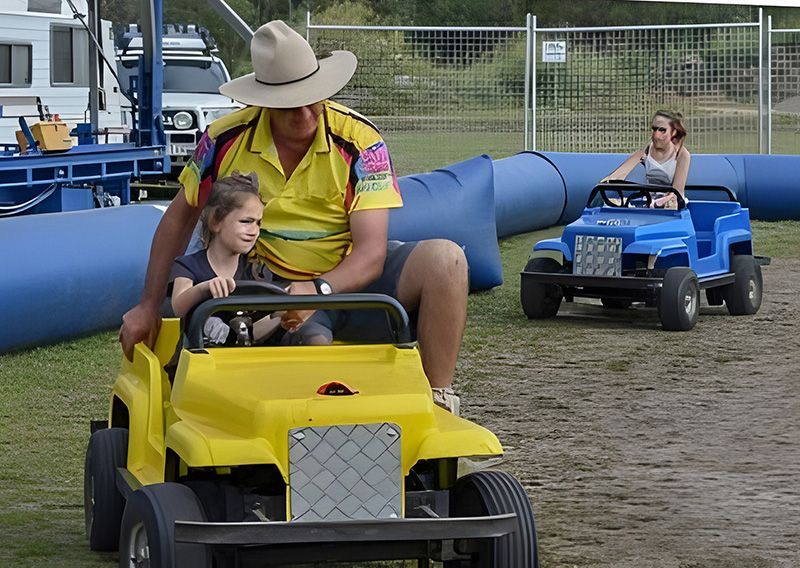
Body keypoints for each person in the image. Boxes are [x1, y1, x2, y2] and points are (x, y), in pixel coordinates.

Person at [119, 20, 466, 413]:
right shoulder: (224, 139)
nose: (304, 113)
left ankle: (437, 401)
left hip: (344, 281)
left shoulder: (360, 142)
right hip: (259, 288)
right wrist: (148, 304)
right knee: (194, 319)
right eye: (289, 103)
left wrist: (317, 291)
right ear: (263, 101)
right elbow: (179, 218)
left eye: (312, 97)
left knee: (446, 259)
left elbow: (371, 255)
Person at [601, 110, 691, 209]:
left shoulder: (682, 155)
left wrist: (656, 204)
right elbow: (614, 178)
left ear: (673, 132)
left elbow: (676, 192)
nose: (656, 135)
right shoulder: (645, 152)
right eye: (654, 129)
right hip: (648, 202)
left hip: (672, 205)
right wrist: (606, 188)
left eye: (662, 130)